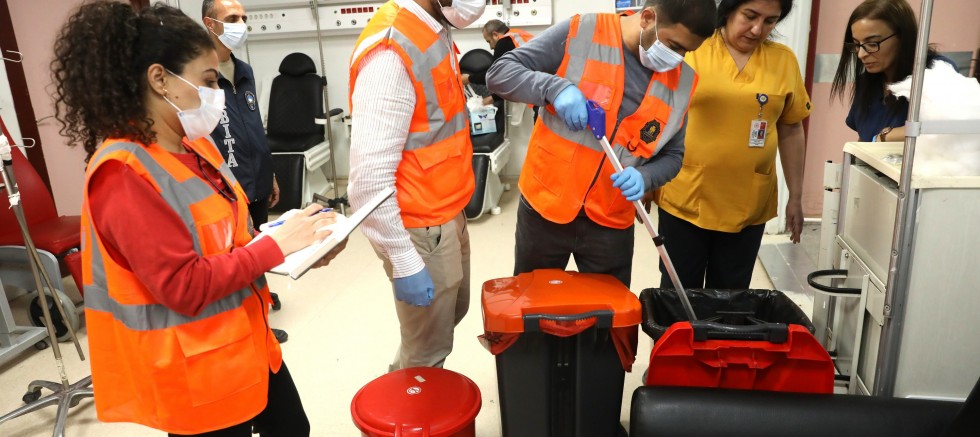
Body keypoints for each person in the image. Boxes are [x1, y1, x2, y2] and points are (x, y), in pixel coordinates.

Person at [53, 2, 342, 435]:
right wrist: (273, 248)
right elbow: (183, 286)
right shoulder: (123, 175)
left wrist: (294, 250)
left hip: (248, 342)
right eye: (207, 81)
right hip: (196, 375)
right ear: (159, 79)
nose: (217, 94)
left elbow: (227, 240)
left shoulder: (194, 146)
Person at [487, 0, 716, 287]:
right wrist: (553, 88)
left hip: (611, 219)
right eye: (673, 44)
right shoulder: (583, 30)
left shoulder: (682, 83)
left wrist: (646, 177)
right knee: (534, 308)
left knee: (608, 320)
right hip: (546, 206)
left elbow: (673, 155)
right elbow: (498, 75)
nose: (677, 57)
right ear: (647, 18)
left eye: (687, 51)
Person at [347, 0, 485, 370]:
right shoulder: (392, 50)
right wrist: (403, 257)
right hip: (419, 225)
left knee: (447, 321)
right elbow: (368, 181)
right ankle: (408, 419)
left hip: (445, 211)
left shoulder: (432, 29)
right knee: (425, 350)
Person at [654, 0, 811, 290]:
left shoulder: (783, 60)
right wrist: (647, 179)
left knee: (732, 297)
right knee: (678, 295)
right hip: (685, 195)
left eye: (769, 21)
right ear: (728, 11)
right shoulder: (694, 48)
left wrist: (797, 197)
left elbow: (791, 128)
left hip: (748, 202)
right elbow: (655, 116)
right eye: (750, 16)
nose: (756, 29)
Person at [202, 0, 289, 344]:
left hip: (258, 176)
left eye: (244, 18)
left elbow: (254, 127)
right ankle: (257, 320)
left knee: (258, 243)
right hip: (228, 182)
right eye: (232, 18)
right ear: (210, 23)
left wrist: (270, 174)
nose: (241, 24)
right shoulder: (202, 78)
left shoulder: (244, 71)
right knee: (238, 251)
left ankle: (261, 298)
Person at [831, 0, 956, 142]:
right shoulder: (868, 81)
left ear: (903, 37)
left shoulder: (937, 72)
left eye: (872, 43)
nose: (861, 54)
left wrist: (884, 137)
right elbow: (864, 140)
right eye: (857, 45)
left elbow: (945, 127)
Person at [463, 19, 538, 119]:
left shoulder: (504, 42)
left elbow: (494, 76)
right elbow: (511, 78)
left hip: (540, 89)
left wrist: (469, 78)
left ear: (495, 35)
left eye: (489, 41)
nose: (491, 47)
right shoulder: (518, 34)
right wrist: (492, 98)